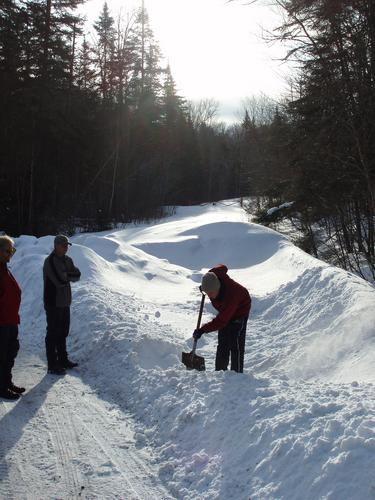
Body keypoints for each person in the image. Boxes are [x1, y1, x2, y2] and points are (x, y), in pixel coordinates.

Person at [193, 264, 251, 373]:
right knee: (223, 341)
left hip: (240, 309)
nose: (209, 296)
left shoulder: (231, 296)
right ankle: (219, 371)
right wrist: (205, 288)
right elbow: (221, 268)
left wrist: (203, 329)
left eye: (211, 293)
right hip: (226, 309)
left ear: (218, 287)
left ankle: (237, 373)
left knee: (235, 342)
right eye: (207, 293)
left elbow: (221, 321)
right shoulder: (211, 278)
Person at [43, 234, 81, 375]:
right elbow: (60, 280)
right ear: (56, 246)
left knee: (63, 332)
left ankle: (63, 359)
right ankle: (52, 364)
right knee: (53, 333)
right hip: (53, 302)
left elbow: (77, 274)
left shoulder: (67, 260)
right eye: (64, 245)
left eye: (67, 246)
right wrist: (67, 275)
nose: (66, 248)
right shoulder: (50, 261)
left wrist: (67, 275)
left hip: (65, 302)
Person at [0, 235, 25, 400]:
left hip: (10, 320)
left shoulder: (4, 268)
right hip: (2, 322)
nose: (11, 254)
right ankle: (1, 388)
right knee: (2, 356)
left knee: (11, 352)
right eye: (8, 251)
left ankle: (6, 382)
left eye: (13, 250)